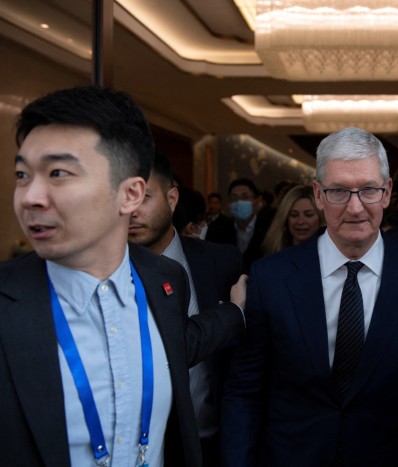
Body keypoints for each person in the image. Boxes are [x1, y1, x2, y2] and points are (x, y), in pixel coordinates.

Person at [0, 85, 246, 467]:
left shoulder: (165, 280)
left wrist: (236, 310)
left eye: (58, 173)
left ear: (130, 194)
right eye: (22, 174)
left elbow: (183, 347)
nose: (30, 196)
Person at [221, 127, 398, 466]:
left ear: (387, 193)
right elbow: (246, 392)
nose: (354, 208)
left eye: (368, 190)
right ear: (318, 195)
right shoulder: (272, 277)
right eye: (338, 191)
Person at [128, 151, 245, 466]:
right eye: (122, 198)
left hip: (217, 440)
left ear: (172, 197)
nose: (131, 211)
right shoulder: (110, 275)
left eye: (143, 197)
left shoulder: (222, 261)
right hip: (149, 449)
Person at [206, 177, 270, 272]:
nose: (239, 202)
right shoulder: (218, 230)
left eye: (245, 197)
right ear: (229, 203)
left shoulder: (268, 229)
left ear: (256, 201)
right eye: (234, 198)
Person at [260, 184, 324, 255]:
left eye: (308, 215)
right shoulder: (271, 256)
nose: (300, 221)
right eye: (294, 215)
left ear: (321, 218)